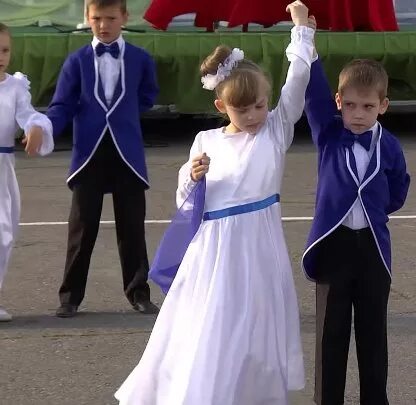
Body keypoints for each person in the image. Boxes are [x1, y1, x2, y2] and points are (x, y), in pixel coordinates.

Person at [115, 2, 314, 403]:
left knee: (255, 325)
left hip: (257, 245)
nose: (255, 114)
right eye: (243, 109)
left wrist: (301, 32)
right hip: (212, 250)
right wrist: (191, 176)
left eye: (260, 105)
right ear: (221, 106)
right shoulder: (205, 141)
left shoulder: (274, 131)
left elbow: (299, 80)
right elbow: (186, 201)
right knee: (208, 323)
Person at [302, 54, 411, 403]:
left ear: (383, 105)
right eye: (350, 105)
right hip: (334, 246)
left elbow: (398, 189)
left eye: (367, 106)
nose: (358, 114)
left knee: (372, 333)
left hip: (373, 249)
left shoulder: (390, 145)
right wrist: (305, 38)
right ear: (338, 103)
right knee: (331, 334)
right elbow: (313, 93)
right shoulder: (329, 134)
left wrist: (373, 211)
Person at [46, 0, 160, 318]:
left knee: (132, 227)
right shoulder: (76, 61)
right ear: (87, 17)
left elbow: (149, 94)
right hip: (88, 154)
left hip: (127, 153)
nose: (103, 25)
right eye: (97, 18)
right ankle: (70, 297)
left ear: (125, 17)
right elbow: (61, 105)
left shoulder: (140, 59)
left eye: (111, 18)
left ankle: (139, 292)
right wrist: (46, 129)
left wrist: (124, 118)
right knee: (81, 229)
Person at [0, 22, 54, 322]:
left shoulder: (15, 87)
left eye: (5, 50)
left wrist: (35, 127)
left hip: (2, 169)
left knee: (3, 233)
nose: (1, 56)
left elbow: (28, 114)